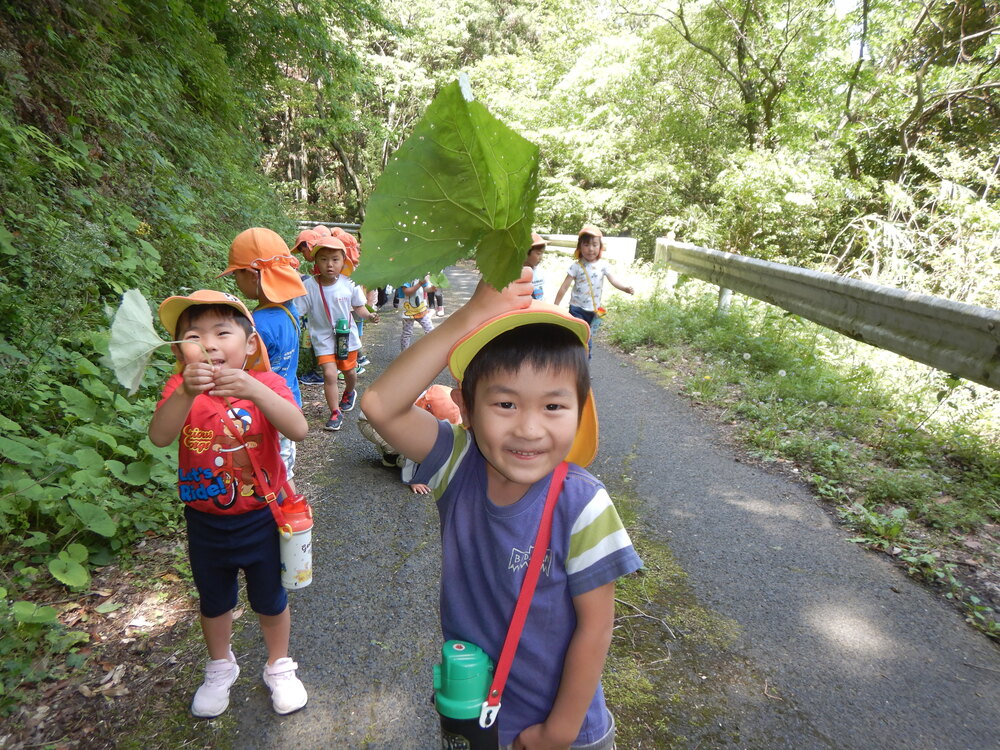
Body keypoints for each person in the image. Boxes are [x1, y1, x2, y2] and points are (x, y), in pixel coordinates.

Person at [360, 270, 642, 750]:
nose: (530, 429)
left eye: (554, 407)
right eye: (506, 404)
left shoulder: (583, 503)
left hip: (565, 733)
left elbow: (596, 628)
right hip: (476, 716)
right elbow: (380, 405)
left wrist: (559, 732)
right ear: (466, 409)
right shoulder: (457, 463)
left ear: (579, 410)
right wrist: (469, 316)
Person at [147, 290, 309, 719]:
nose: (209, 344)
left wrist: (255, 389)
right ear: (180, 350)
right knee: (213, 600)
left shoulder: (268, 384)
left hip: (261, 518)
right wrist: (183, 393)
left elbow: (298, 429)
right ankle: (220, 665)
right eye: (193, 335)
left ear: (250, 344)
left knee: (270, 598)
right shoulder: (178, 389)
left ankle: (279, 665)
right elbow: (160, 437)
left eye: (222, 332)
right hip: (204, 522)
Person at [217, 227, 307, 493]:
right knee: (284, 469)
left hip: (262, 412)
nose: (235, 280)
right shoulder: (288, 310)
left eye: (236, 273)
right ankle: (294, 524)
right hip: (287, 403)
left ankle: (284, 525)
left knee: (267, 474)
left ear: (253, 274)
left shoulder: (257, 325)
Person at [295, 235, 376, 431]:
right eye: (323, 259)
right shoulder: (309, 287)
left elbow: (359, 307)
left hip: (346, 338)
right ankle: (334, 412)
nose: (329, 265)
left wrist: (369, 316)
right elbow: (297, 312)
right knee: (330, 375)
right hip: (322, 339)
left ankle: (349, 391)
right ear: (315, 262)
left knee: (349, 371)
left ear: (343, 262)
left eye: (335, 259)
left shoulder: (350, 284)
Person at [553, 225, 634, 354]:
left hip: (595, 310)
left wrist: (624, 288)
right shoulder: (576, 266)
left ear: (600, 247)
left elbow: (613, 280)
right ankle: (580, 362)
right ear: (580, 247)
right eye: (586, 245)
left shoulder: (603, 266)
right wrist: (556, 306)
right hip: (577, 309)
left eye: (595, 245)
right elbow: (564, 286)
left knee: (586, 338)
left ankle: (581, 363)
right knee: (583, 338)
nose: (591, 249)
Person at [399, 276, 435, 350]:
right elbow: (407, 292)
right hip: (407, 311)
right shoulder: (405, 275)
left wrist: (431, 289)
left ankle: (432, 350)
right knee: (407, 332)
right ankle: (404, 353)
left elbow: (425, 288)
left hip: (421, 309)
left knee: (430, 329)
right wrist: (420, 283)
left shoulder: (421, 275)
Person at [526, 232, 547, 301]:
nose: (541, 257)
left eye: (542, 253)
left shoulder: (540, 272)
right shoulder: (516, 274)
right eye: (538, 253)